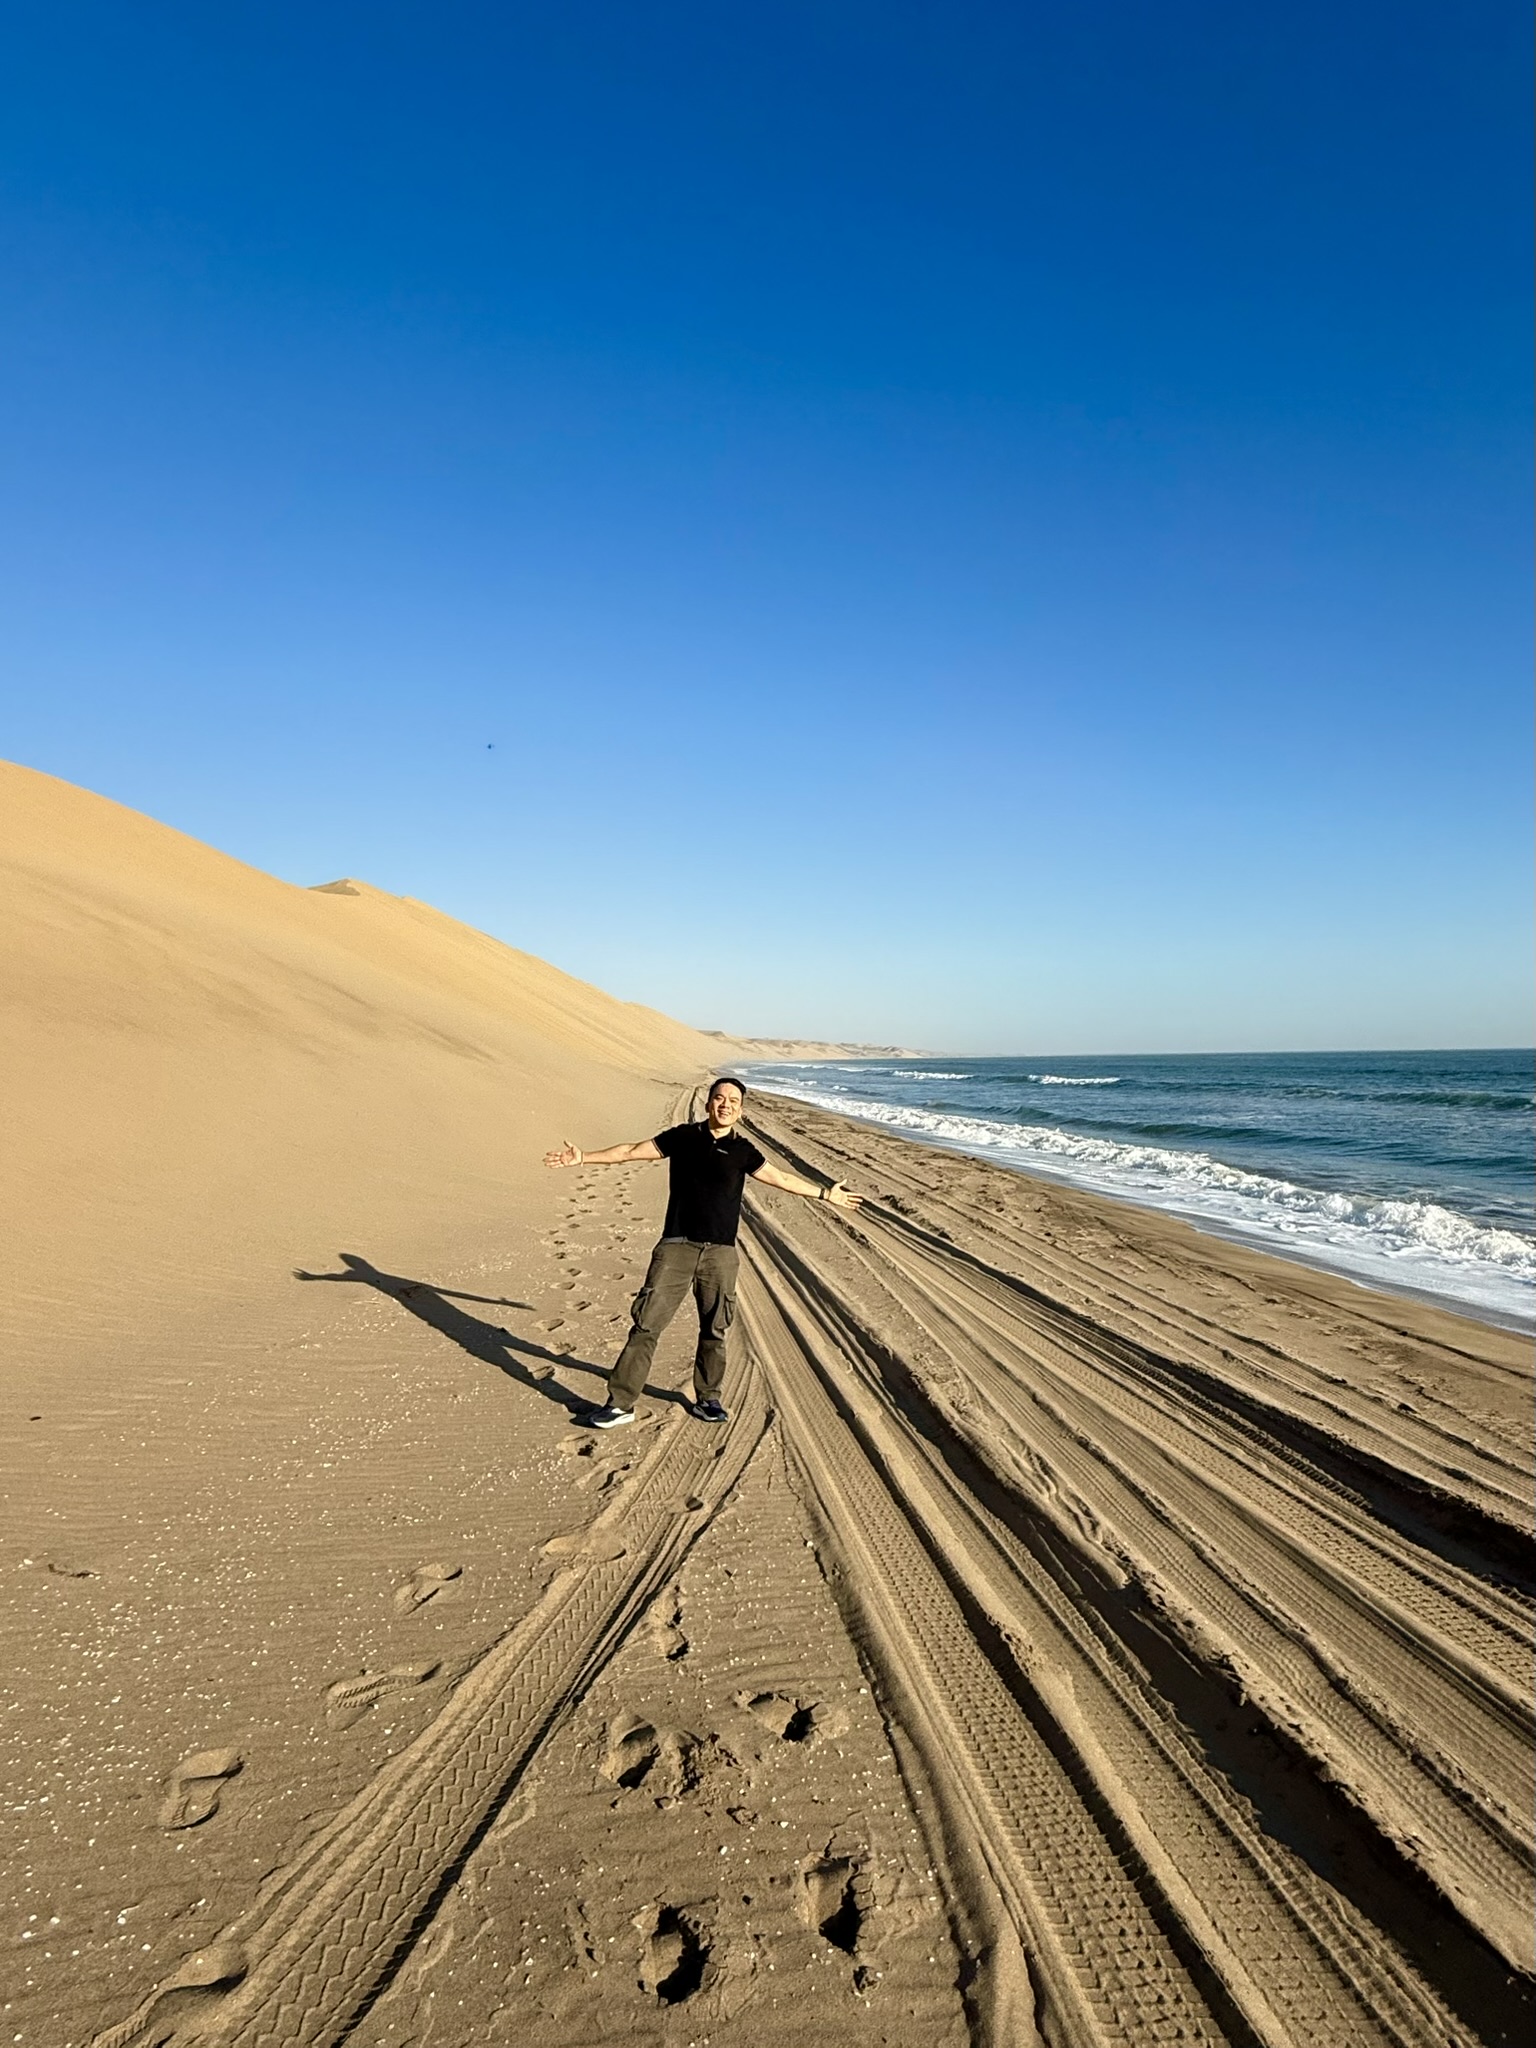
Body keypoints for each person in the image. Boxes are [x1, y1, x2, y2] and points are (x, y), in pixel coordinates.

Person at [542, 1075, 860, 1427]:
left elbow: (782, 1179)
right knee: (646, 1325)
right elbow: (630, 1152)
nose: (726, 1105)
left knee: (714, 1329)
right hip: (676, 1247)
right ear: (709, 1103)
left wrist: (825, 1194)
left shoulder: (744, 1152)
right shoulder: (682, 1137)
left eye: (733, 1101)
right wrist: (583, 1157)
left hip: (720, 1254)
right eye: (720, 1098)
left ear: (740, 1110)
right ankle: (620, 1405)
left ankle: (708, 1399)